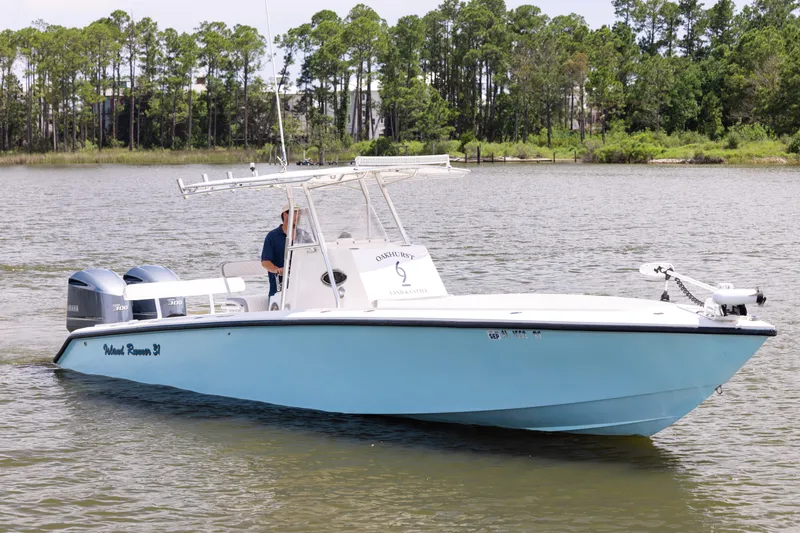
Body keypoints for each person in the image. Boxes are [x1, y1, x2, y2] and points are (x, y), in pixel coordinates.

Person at [261, 204, 312, 297]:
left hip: (302, 290)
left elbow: (313, 256)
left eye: (299, 213)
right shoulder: (272, 236)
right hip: (278, 291)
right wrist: (277, 270)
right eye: (296, 213)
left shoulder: (305, 235)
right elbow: (265, 262)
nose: (299, 216)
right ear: (285, 214)